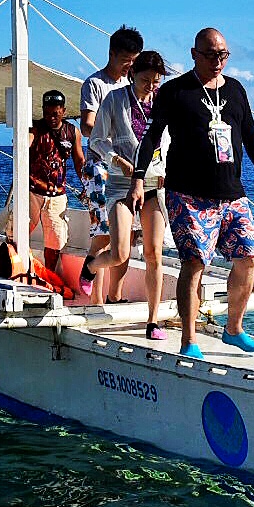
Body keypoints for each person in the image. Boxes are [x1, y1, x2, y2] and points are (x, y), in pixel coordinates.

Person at [129, 28, 254, 360]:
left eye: (223, 54)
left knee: (249, 256)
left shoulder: (235, 89)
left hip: (232, 193)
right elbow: (152, 138)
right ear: (194, 54)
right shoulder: (175, 91)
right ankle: (189, 339)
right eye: (210, 55)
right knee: (194, 263)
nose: (217, 61)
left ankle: (234, 329)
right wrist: (139, 178)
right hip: (188, 194)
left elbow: (250, 133)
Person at [82, 50, 172, 335]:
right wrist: (115, 160)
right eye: (146, 80)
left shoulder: (162, 103)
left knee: (153, 253)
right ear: (133, 74)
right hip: (121, 183)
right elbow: (96, 139)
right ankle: (92, 265)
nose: (151, 86)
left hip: (154, 184)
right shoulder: (115, 99)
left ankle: (152, 320)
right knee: (120, 253)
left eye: (156, 81)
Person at [0, 89, 86, 275]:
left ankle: (50, 276)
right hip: (32, 191)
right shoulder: (35, 128)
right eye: (47, 113)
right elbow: (26, 142)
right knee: (17, 231)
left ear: (63, 111)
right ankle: (14, 269)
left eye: (55, 114)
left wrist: (86, 186)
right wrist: (22, 141)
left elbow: (79, 161)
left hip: (57, 194)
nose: (51, 118)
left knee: (55, 239)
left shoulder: (72, 132)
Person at [80, 26, 144, 299]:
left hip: (131, 168)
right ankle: (93, 286)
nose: (129, 65)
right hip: (101, 165)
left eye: (134, 60)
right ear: (112, 54)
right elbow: (87, 126)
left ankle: (114, 295)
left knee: (127, 236)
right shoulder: (96, 84)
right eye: (125, 60)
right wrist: (112, 137)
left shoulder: (134, 88)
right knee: (105, 230)